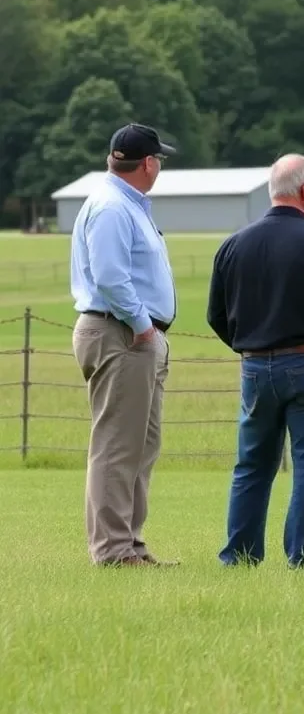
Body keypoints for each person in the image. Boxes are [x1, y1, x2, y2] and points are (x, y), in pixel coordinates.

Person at [206, 153, 304, 569]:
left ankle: (240, 556)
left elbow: (217, 316)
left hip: (256, 368)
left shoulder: (233, 245)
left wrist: (252, 347)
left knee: (251, 465)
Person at [69, 123, 179, 567]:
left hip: (133, 335)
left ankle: (130, 544)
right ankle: (113, 551)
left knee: (140, 446)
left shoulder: (124, 203)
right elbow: (111, 276)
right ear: (148, 163)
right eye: (160, 160)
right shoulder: (114, 207)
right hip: (122, 333)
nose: (160, 166)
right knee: (118, 445)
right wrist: (142, 326)